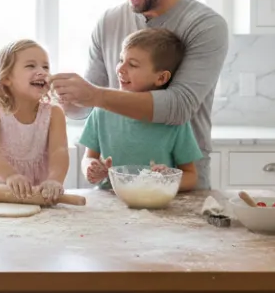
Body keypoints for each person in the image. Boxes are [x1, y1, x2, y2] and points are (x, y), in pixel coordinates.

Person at [50, 0, 228, 189]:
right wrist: (65, 97)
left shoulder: (205, 25)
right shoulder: (109, 21)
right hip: (115, 189)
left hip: (179, 189)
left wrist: (95, 95)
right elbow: (87, 108)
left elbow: (178, 107)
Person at [80, 28, 201, 192]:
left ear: (161, 78)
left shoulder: (173, 120)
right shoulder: (102, 110)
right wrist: (92, 169)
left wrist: (166, 180)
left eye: (133, 64)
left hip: (156, 205)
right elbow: (88, 157)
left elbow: (191, 176)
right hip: (110, 201)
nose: (120, 69)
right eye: (121, 59)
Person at [0, 40, 71, 205]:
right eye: (31, 66)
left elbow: (59, 151)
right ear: (6, 79)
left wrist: (55, 180)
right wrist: (11, 175)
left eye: (45, 67)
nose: (41, 72)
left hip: (37, 193)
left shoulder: (54, 113)